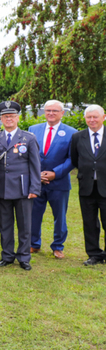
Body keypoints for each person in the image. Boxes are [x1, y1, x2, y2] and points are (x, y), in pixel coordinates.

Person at [0, 101, 41, 271]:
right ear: (1, 119)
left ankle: (23, 257)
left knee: (24, 226)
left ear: (18, 118)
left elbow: (36, 166)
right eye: (5, 117)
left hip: (23, 189)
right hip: (2, 189)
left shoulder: (28, 138)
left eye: (12, 116)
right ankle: (7, 255)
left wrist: (35, 188)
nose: (9, 119)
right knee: (4, 225)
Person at [28, 100, 75, 259]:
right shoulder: (33, 130)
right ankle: (34, 244)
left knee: (60, 217)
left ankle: (57, 246)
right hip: (36, 181)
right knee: (34, 214)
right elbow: (29, 155)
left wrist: (55, 173)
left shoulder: (71, 132)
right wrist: (37, 173)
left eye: (55, 110)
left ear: (62, 113)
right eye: (48, 110)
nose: (51, 113)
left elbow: (72, 158)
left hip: (59, 182)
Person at [69, 105, 106, 266]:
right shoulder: (78, 137)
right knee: (89, 223)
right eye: (88, 117)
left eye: (95, 117)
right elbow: (75, 159)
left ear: (103, 117)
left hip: (105, 186)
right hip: (87, 186)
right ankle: (94, 254)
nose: (92, 120)